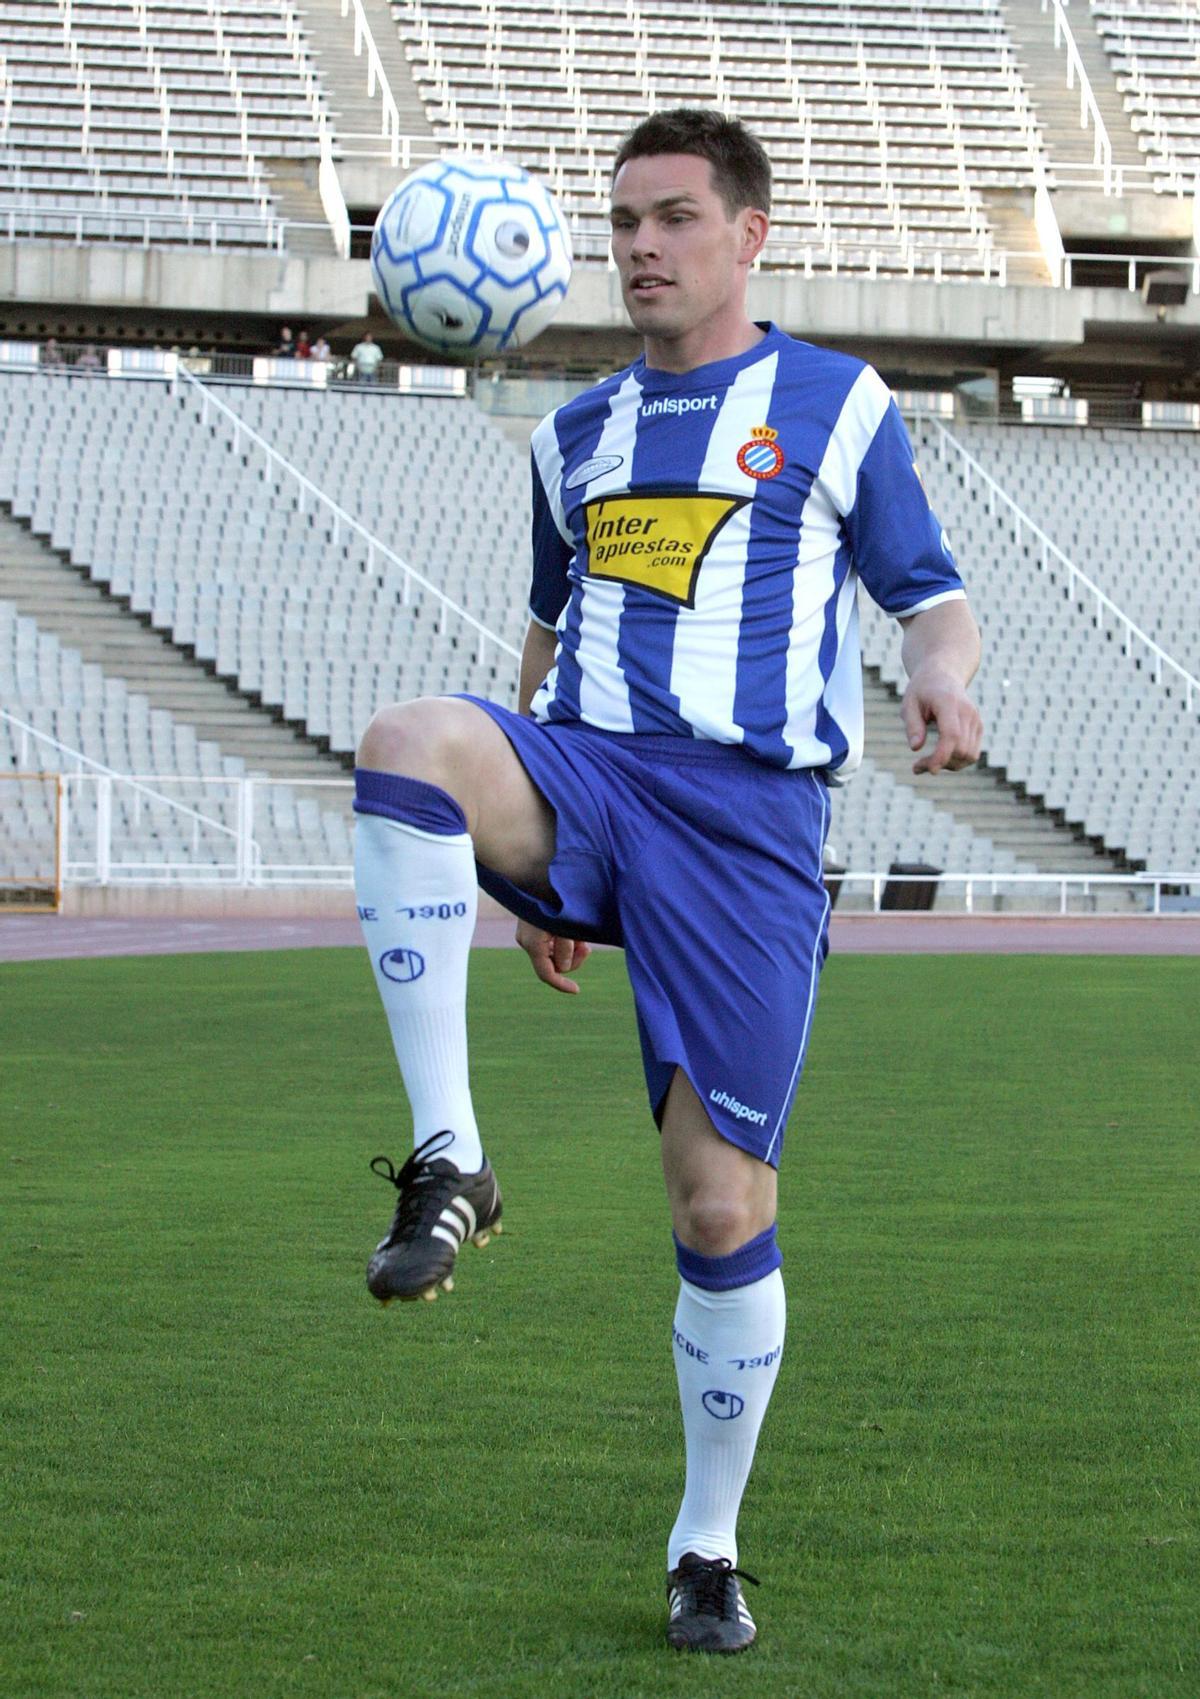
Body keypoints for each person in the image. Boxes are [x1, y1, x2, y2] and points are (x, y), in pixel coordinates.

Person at [351, 109, 982, 1655]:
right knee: (412, 742)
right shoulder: (577, 436)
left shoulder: (835, 403)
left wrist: (943, 679)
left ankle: (707, 1544)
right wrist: (517, 872)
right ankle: (452, 1162)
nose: (640, 245)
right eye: (623, 222)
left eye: (674, 218)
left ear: (747, 233)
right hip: (594, 780)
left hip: (747, 829)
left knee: (717, 1209)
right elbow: (549, 643)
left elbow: (931, 592)